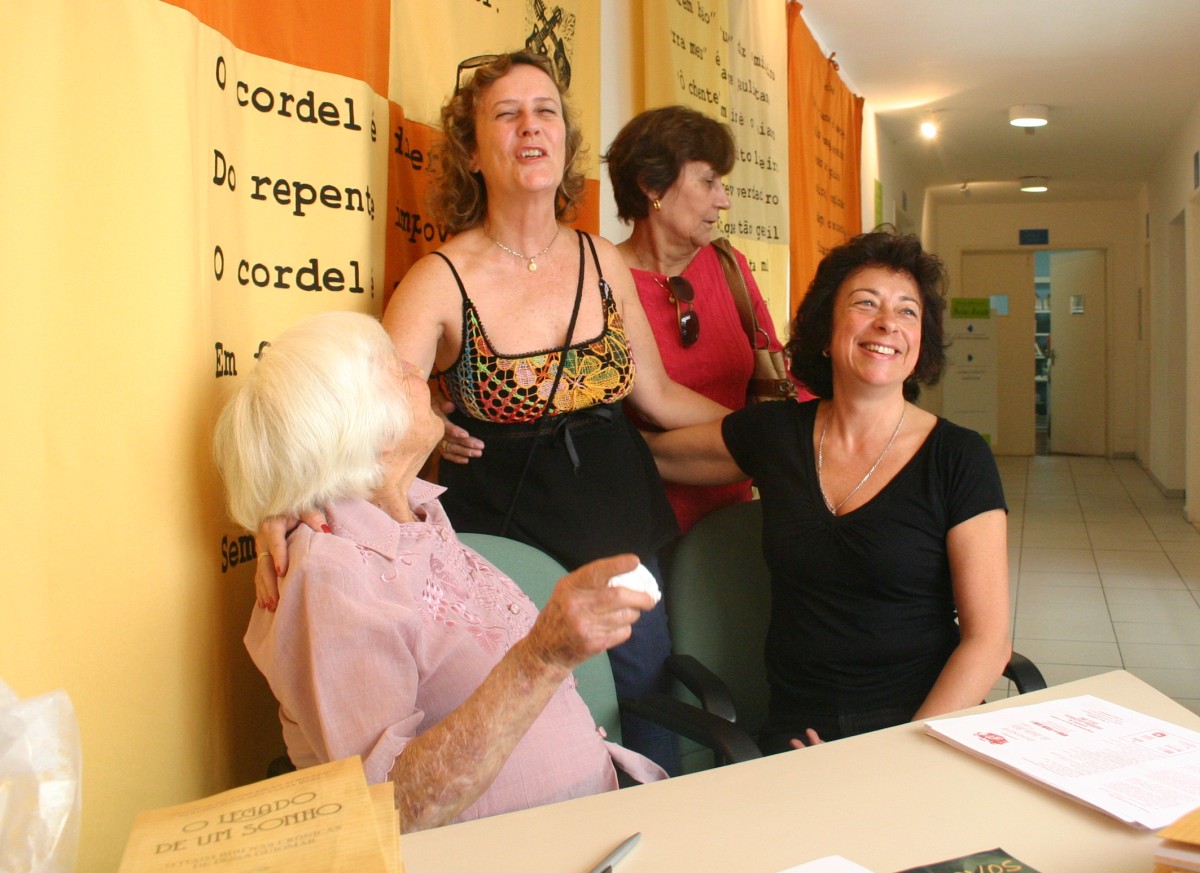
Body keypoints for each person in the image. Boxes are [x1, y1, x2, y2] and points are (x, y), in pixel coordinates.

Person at [258, 52, 729, 774]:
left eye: (545, 112)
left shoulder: (603, 260)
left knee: (643, 696)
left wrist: (781, 431)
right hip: (503, 545)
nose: (530, 127)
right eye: (507, 115)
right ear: (473, 152)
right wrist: (292, 504)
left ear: (565, 140)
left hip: (623, 523)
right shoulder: (439, 279)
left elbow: (658, 396)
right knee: (528, 717)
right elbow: (367, 414)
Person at [214, 311, 666, 832]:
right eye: (396, 368)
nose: (418, 372)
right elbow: (390, 810)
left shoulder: (418, 517)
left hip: (595, 820)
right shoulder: (329, 575)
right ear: (365, 423)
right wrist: (543, 657)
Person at [644, 229, 1012, 752]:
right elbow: (655, 455)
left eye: (907, 311)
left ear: (920, 343)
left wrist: (902, 753)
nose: (887, 322)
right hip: (800, 735)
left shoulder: (958, 457)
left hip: (924, 733)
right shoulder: (777, 435)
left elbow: (988, 641)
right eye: (866, 303)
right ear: (825, 329)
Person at [603, 104, 811, 533]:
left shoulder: (729, 266)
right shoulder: (601, 279)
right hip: (637, 520)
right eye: (708, 181)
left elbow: (777, 374)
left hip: (734, 516)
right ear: (651, 185)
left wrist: (818, 432)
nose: (724, 200)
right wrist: (768, 436)